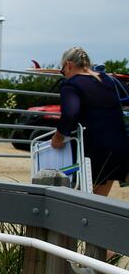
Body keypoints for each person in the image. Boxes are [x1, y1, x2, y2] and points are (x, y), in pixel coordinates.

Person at [51, 47, 129, 197]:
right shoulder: (107, 79)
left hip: (93, 151)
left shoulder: (71, 84)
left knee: (79, 201)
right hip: (118, 148)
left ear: (68, 65)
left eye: (62, 71)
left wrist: (58, 137)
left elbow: (70, 113)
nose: (65, 75)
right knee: (98, 202)